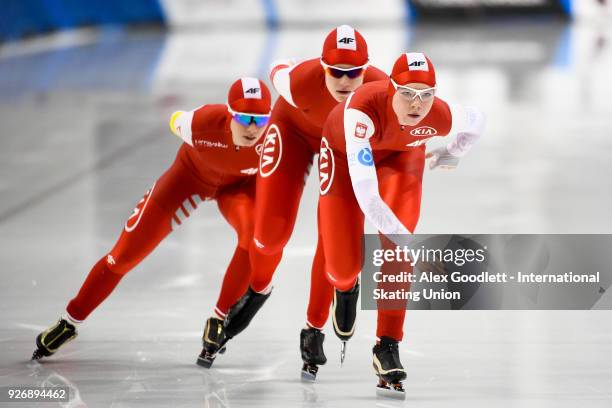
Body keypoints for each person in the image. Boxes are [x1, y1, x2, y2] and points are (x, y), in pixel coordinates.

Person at [32, 78, 272, 369]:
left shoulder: (273, 138)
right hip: (188, 180)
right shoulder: (201, 122)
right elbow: (174, 119)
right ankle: (69, 322)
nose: (252, 128)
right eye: (244, 118)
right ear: (229, 114)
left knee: (252, 237)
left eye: (260, 119)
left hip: (239, 189)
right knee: (121, 258)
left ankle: (218, 319)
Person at [208, 25, 387, 379]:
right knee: (270, 235)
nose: (345, 81)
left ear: (366, 70)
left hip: (339, 145)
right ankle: (259, 288)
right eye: (336, 71)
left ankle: (314, 327)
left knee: (332, 234)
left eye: (354, 73)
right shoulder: (297, 82)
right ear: (322, 67)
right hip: (292, 130)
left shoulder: (380, 91)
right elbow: (278, 67)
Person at [317, 52, 485, 397]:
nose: (416, 104)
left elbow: (478, 120)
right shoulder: (361, 112)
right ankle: (345, 285)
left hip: (401, 156)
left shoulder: (438, 114)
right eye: (407, 92)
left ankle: (387, 345)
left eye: (426, 94)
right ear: (391, 88)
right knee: (342, 267)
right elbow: (368, 199)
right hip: (342, 152)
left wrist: (453, 152)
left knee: (397, 246)